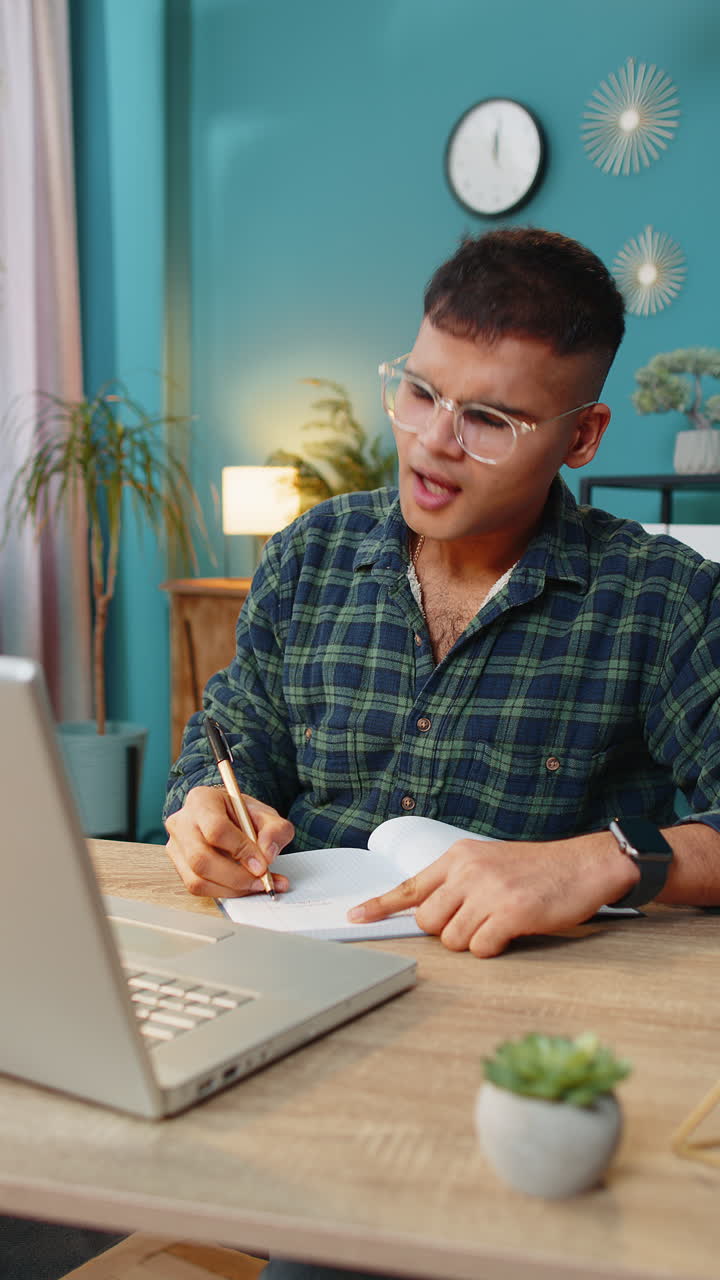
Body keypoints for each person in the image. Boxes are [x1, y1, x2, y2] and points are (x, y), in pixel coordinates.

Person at [164, 226, 720, 1279]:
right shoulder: (310, 555)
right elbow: (226, 746)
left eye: (492, 419)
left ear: (583, 433)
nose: (432, 442)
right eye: (418, 392)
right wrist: (204, 811)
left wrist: (602, 857)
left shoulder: (663, 600)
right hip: (292, 1022)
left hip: (511, 1068)